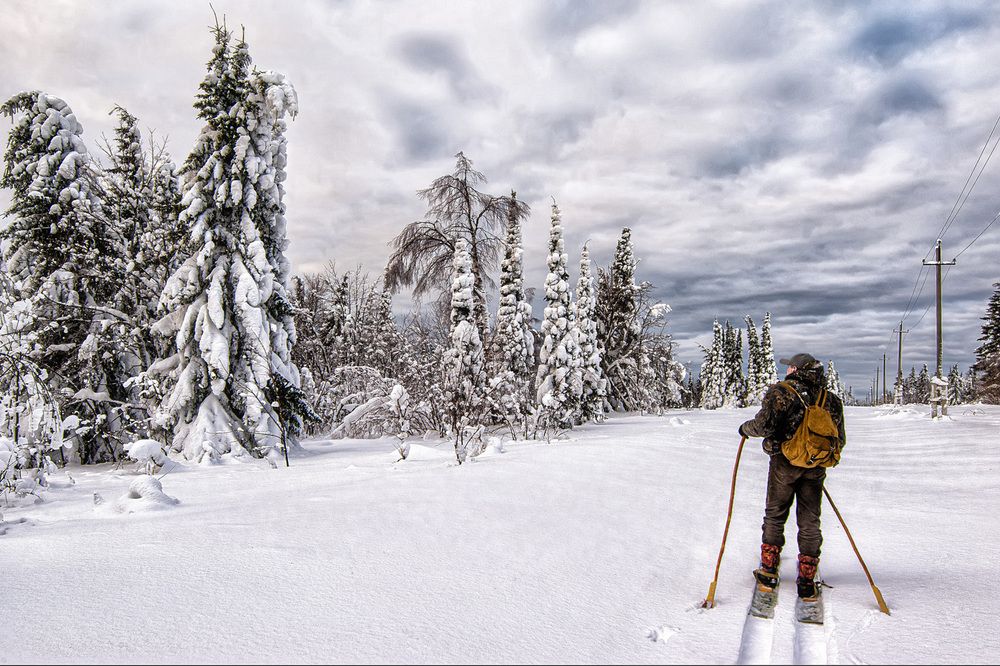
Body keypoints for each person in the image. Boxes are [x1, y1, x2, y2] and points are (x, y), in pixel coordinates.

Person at [738, 352, 846, 601]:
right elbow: (840, 440)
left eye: (789, 367)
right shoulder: (830, 400)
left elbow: (764, 426)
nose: (786, 371)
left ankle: (768, 571)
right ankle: (807, 577)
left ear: (796, 370)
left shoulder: (782, 392)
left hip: (783, 465)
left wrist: (745, 429)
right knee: (810, 520)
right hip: (815, 468)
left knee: (775, 514)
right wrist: (812, 455)